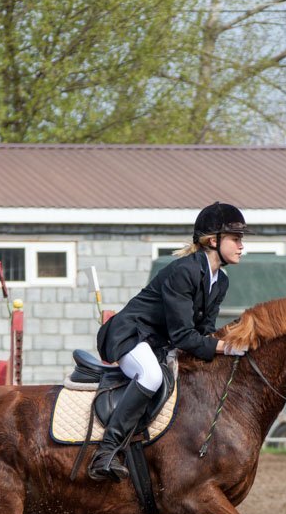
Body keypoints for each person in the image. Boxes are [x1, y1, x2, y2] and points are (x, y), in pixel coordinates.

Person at [89, 201, 249, 481]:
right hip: (132, 335)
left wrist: (228, 341)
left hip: (158, 344)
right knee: (150, 376)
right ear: (213, 240)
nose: (241, 246)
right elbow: (183, 336)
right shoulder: (184, 271)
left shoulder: (219, 280)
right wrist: (227, 347)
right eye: (235, 239)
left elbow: (205, 331)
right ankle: (107, 451)